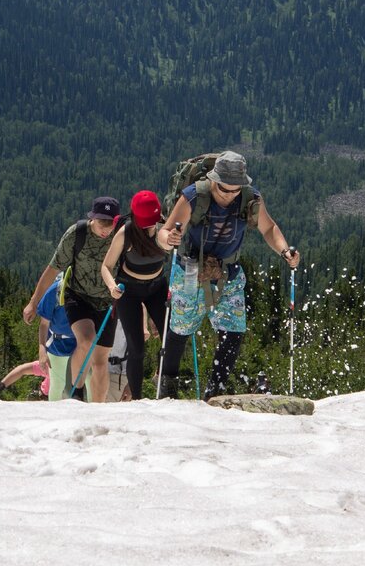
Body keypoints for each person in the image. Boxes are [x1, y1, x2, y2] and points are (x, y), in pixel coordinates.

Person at [156, 151, 301, 400]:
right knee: (180, 329)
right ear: (213, 179)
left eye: (236, 190)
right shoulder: (194, 196)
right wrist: (168, 240)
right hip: (191, 270)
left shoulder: (250, 198)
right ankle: (168, 387)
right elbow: (165, 231)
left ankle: (215, 391)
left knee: (234, 331)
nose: (229, 194)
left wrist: (285, 250)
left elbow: (269, 228)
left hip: (228, 272)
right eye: (224, 189)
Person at [23, 196, 121, 402]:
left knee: (101, 361)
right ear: (92, 218)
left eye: (110, 223)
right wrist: (33, 302)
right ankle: (76, 393)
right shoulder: (77, 234)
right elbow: (52, 270)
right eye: (101, 222)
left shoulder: (119, 236)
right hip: (78, 296)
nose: (105, 228)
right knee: (86, 340)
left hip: (108, 301)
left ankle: (98, 409)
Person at [101, 190, 168, 400]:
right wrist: (112, 286)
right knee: (136, 347)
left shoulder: (163, 228)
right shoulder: (125, 232)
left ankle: (163, 381)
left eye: (152, 220)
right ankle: (138, 399)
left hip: (156, 288)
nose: (149, 225)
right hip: (128, 291)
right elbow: (106, 265)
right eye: (146, 221)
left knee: (171, 338)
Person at [0, 275, 80, 401]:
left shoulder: (47, 368)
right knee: (82, 379)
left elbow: (21, 370)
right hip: (63, 350)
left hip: (57, 353)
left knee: (60, 385)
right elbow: (21, 370)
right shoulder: (48, 367)